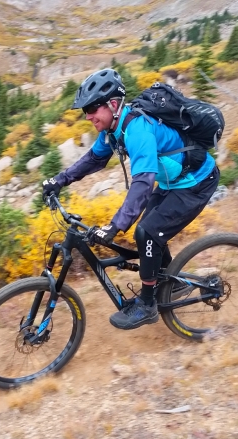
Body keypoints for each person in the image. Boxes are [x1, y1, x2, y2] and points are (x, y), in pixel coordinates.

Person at [42, 68, 222, 330]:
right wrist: (59, 180)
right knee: (149, 232)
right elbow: (94, 159)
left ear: (113, 104)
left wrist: (115, 226)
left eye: (93, 109)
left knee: (148, 232)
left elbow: (143, 183)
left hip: (197, 182)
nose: (89, 116)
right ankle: (172, 285)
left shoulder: (137, 129)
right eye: (85, 111)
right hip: (174, 182)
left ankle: (147, 306)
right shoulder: (113, 129)